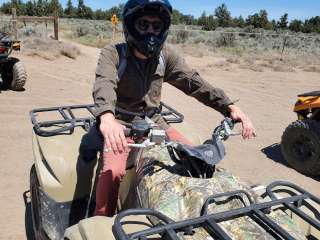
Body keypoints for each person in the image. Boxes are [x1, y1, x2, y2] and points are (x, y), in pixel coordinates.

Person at [92, 0, 256, 217]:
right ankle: (101, 221)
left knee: (195, 160)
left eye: (156, 26)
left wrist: (229, 106)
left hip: (153, 120)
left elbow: (194, 83)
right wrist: (106, 116)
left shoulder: (165, 56)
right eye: (143, 24)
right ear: (130, 25)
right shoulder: (113, 53)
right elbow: (104, 83)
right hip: (120, 122)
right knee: (113, 172)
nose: (151, 31)